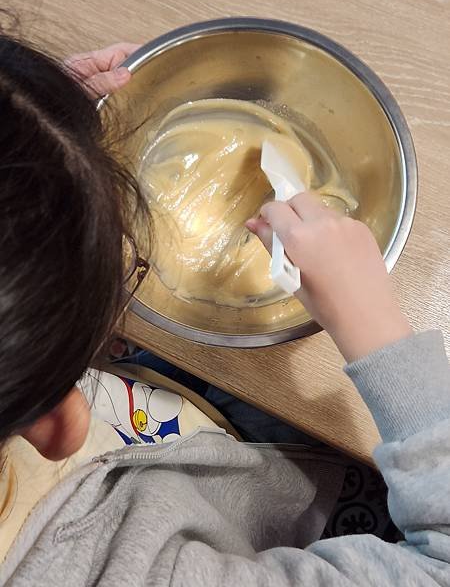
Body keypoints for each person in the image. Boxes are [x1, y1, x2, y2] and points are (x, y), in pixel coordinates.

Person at [0, 32, 449, 587]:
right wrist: (381, 334)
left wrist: (36, 140)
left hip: (157, 411)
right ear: (59, 423)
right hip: (304, 498)